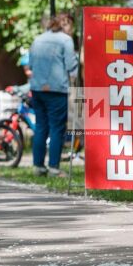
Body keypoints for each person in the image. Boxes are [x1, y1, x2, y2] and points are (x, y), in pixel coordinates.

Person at [28, 12, 78, 177]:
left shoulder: (38, 39)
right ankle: (54, 168)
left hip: (37, 89)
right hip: (57, 90)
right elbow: (71, 66)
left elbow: (31, 65)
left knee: (41, 127)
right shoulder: (66, 40)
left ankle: (38, 166)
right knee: (57, 128)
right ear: (65, 25)